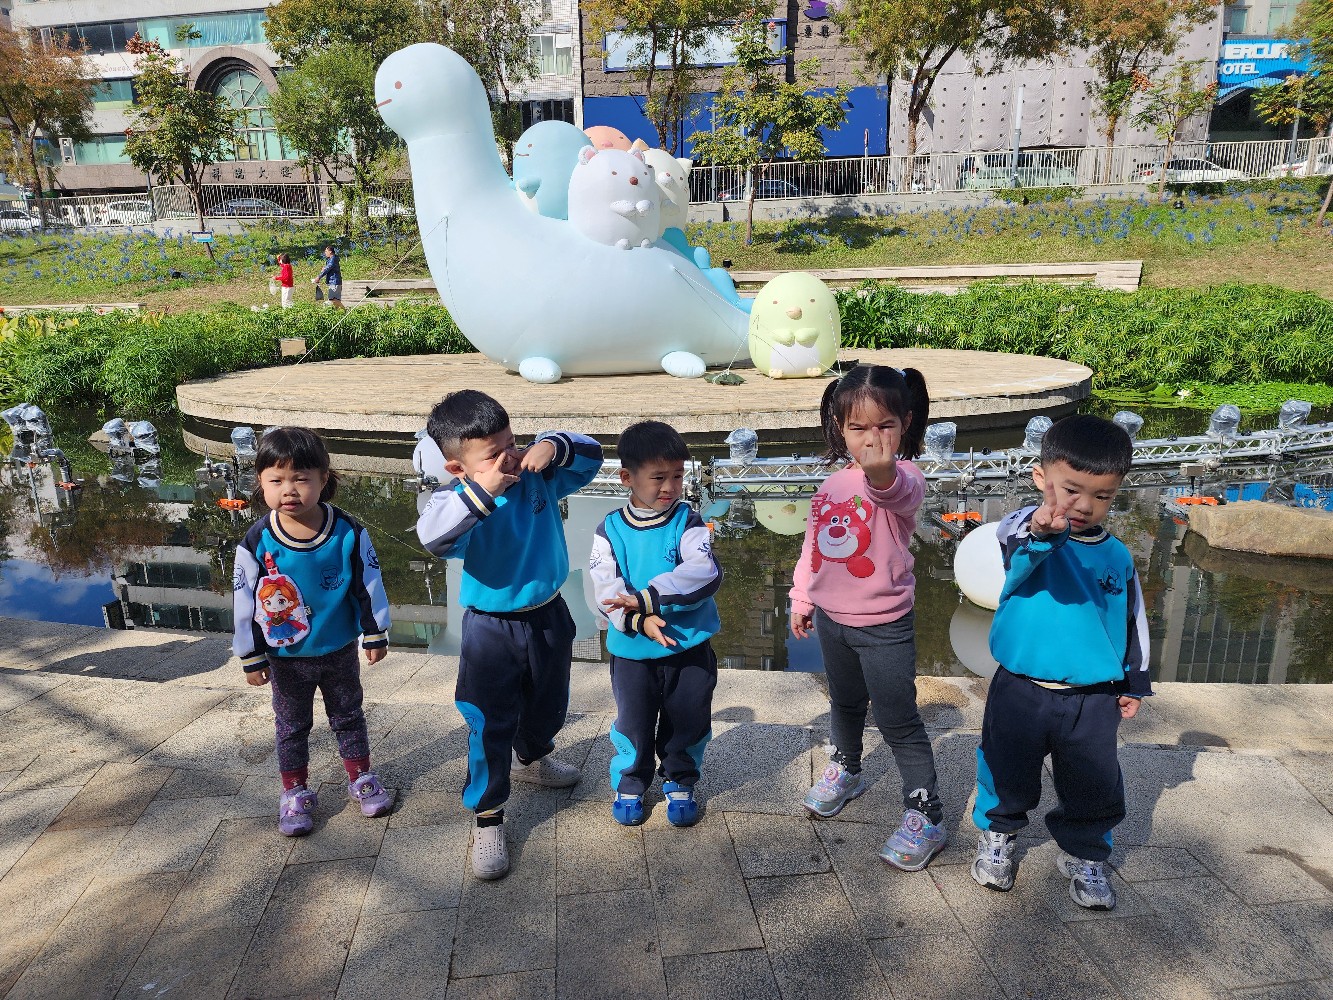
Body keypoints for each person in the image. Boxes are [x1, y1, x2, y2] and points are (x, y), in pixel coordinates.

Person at [415, 390, 603, 880]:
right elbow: (434, 538)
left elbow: (593, 455)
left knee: (550, 702)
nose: (510, 458)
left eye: (511, 443)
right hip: (491, 628)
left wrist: (553, 445)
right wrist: (486, 490)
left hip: (549, 614)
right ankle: (488, 815)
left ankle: (533, 756)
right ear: (457, 468)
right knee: (488, 721)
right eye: (493, 454)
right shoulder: (456, 502)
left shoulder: (537, 476)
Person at [971, 413, 1150, 911]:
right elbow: (1018, 546)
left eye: (1103, 496)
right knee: (1006, 769)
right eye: (1071, 490)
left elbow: (1133, 619)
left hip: (1092, 697)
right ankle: (999, 834)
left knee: (1094, 782)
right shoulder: (1019, 531)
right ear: (1040, 477)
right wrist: (1043, 531)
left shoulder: (1117, 556)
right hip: (1020, 688)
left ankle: (1085, 854)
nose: (1085, 506)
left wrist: (1133, 681)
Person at [789, 364, 948, 872]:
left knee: (898, 719)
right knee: (845, 702)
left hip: (884, 627)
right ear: (840, 428)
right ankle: (847, 767)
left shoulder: (907, 477)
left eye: (884, 426)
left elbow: (892, 491)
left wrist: (881, 470)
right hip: (833, 621)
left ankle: (925, 812)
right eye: (857, 428)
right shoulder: (832, 483)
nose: (871, 439)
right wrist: (802, 597)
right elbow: (814, 546)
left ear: (905, 423)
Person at [232, 427, 394, 837]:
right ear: (260, 482)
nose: (289, 489)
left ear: (324, 478)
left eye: (301, 478)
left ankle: (361, 777)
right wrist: (250, 654)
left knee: (348, 715)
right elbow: (244, 600)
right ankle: (294, 791)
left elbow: (368, 583)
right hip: (284, 658)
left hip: (338, 649)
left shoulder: (348, 532)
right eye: (276, 480)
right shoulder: (257, 541)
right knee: (291, 725)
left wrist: (375, 631)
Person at [589, 421, 721, 828]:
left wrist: (648, 597)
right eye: (658, 477)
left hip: (688, 645)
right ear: (627, 478)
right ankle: (630, 781)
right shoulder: (609, 529)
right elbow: (604, 586)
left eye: (677, 476)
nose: (670, 487)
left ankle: (680, 779)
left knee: (689, 717)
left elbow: (704, 572)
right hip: (632, 650)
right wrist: (638, 619)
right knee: (634, 720)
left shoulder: (688, 522)